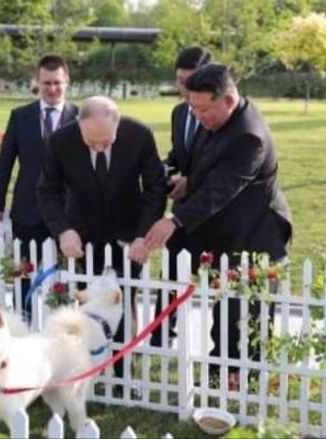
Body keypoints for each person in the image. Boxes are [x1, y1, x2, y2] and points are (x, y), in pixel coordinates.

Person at [144, 63, 293, 376]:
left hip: (255, 236)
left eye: (203, 109)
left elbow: (221, 189)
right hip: (225, 233)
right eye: (192, 108)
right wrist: (188, 183)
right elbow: (206, 169)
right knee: (224, 310)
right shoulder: (215, 121)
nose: (198, 116)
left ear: (228, 99)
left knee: (243, 317)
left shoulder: (248, 136)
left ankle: (244, 379)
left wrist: (173, 220)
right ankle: (220, 371)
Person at [38, 96, 166, 376]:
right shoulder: (59, 141)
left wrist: (143, 235)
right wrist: (63, 230)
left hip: (129, 235)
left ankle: (120, 371)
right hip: (82, 235)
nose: (98, 147)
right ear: (78, 126)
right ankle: (87, 368)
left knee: (123, 298)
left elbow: (156, 188)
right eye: (91, 142)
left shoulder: (140, 135)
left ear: (117, 125)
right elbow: (47, 192)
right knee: (88, 302)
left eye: (105, 142)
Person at [0, 55, 78, 319]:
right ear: (36, 81)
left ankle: (62, 329)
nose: (52, 89)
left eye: (57, 83)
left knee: (64, 277)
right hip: (27, 210)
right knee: (23, 275)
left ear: (67, 81)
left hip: (67, 213)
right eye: (46, 83)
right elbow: (5, 163)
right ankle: (23, 326)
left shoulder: (80, 116)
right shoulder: (20, 117)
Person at [151, 46, 212, 348]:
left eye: (192, 81)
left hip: (215, 211)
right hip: (182, 210)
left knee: (219, 284)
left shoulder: (217, 114)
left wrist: (192, 181)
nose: (185, 89)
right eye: (180, 80)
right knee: (170, 276)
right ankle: (162, 335)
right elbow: (179, 154)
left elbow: (220, 165)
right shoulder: (178, 113)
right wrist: (161, 168)